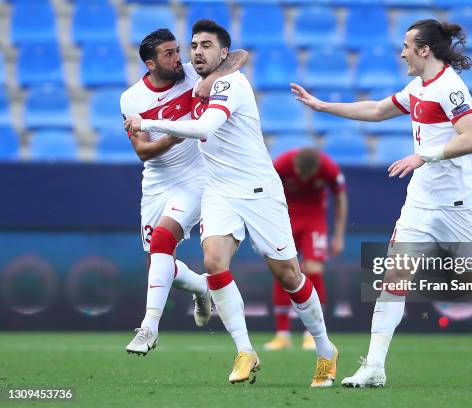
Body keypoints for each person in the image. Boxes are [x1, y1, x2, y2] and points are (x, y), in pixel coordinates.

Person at [290, 19, 472, 388]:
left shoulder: (451, 89)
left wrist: (424, 156)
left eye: (407, 47)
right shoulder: (418, 86)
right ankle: (374, 367)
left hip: (458, 206)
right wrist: (322, 106)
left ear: (424, 50)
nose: (402, 53)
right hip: (420, 204)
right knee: (394, 276)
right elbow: (378, 110)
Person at [124, 20, 338, 388]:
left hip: (258, 191)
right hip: (217, 191)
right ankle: (244, 350)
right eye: (193, 46)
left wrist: (150, 120)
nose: (195, 52)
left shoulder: (232, 84)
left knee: (288, 274)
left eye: (206, 46)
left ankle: (324, 349)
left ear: (222, 53)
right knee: (213, 262)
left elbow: (205, 127)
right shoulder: (193, 80)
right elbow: (227, 59)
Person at [120, 28, 247, 356]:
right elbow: (143, 152)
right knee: (159, 262)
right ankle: (203, 287)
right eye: (169, 53)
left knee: (163, 240)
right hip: (156, 183)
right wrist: (174, 135)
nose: (180, 58)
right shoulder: (132, 99)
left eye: (179, 50)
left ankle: (149, 327)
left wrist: (208, 80)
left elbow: (240, 56)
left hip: (196, 178)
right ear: (151, 64)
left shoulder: (193, 72)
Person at [264, 148, 347, 351]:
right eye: (300, 173)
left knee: (314, 269)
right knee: (282, 270)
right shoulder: (282, 163)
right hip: (286, 216)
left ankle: (312, 333)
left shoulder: (328, 167)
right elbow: (265, 191)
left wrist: (338, 235)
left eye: (307, 176)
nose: (302, 178)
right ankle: (282, 334)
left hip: (314, 218)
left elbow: (340, 199)